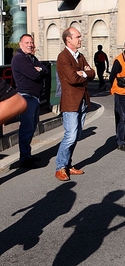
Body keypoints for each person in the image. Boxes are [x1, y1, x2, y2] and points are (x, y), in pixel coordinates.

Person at [55, 27, 95, 181]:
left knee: (77, 135)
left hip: (83, 101)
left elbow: (92, 73)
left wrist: (83, 73)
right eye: (77, 37)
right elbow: (72, 79)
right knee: (70, 136)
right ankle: (60, 167)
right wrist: (83, 73)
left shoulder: (80, 56)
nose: (80, 39)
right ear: (68, 39)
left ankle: (67, 165)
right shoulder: (63, 57)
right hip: (71, 102)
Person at [11, 34, 49, 169]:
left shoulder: (31, 58)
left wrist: (40, 69)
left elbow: (45, 69)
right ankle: (25, 158)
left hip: (34, 96)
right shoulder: (19, 58)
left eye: (31, 42)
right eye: (27, 42)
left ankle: (27, 154)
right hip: (26, 97)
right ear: (20, 44)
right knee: (27, 128)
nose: (30, 45)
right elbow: (34, 74)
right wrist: (38, 70)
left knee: (32, 127)